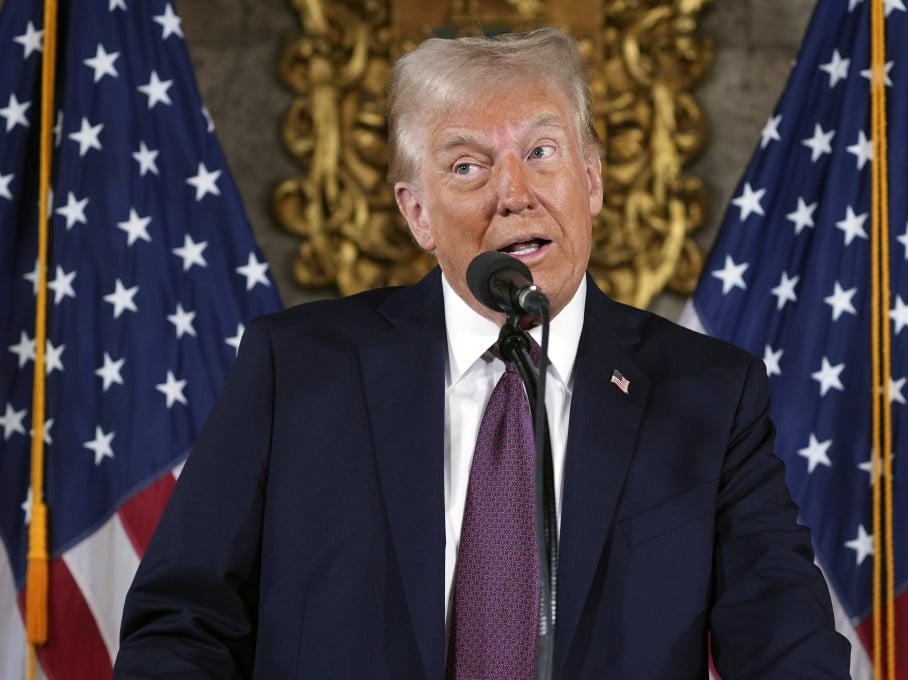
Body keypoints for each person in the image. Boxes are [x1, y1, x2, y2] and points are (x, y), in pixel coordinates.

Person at [115, 28, 850, 679]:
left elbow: (785, 640)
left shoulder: (709, 395)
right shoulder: (296, 369)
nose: (514, 193)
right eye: (467, 166)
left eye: (540, 151)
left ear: (590, 180)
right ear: (417, 212)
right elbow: (183, 623)